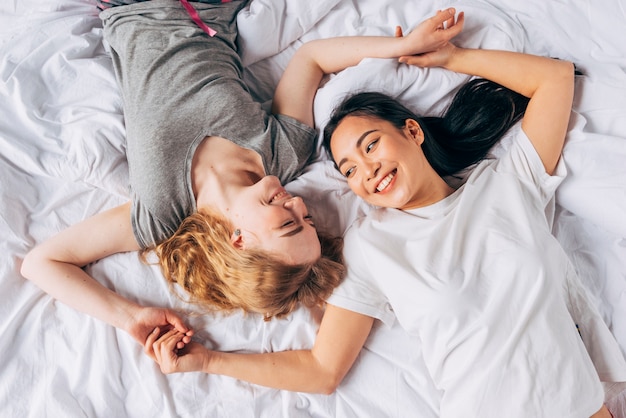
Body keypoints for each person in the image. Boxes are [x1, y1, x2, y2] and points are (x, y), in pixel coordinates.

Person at [149, 10, 626, 418]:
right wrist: (208, 362)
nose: (367, 171)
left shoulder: (506, 183)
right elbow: (322, 369)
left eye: (371, 145)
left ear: (413, 132)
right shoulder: (370, 246)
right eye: (349, 170)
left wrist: (450, 58)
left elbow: (555, 78)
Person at [19, 2, 464, 352]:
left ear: (238, 241)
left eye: (290, 222)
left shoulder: (161, 212)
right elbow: (310, 60)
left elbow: (42, 263)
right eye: (307, 219)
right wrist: (402, 46)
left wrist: (131, 317)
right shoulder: (283, 154)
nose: (299, 204)